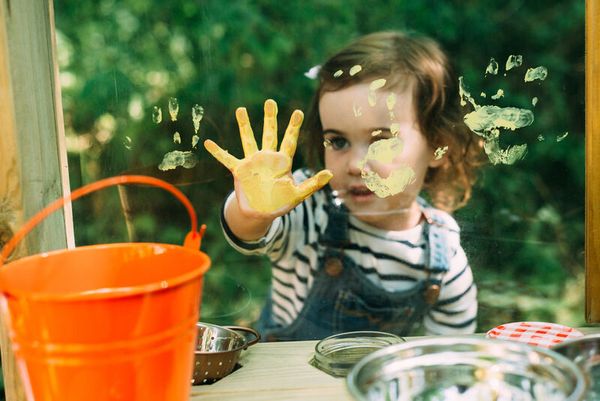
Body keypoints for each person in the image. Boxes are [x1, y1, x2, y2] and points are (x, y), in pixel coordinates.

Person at [204, 30, 484, 341]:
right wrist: (254, 213)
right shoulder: (309, 203)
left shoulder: (441, 252)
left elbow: (447, 352)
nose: (354, 164)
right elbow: (249, 235)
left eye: (380, 141)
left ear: (438, 146)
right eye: (338, 141)